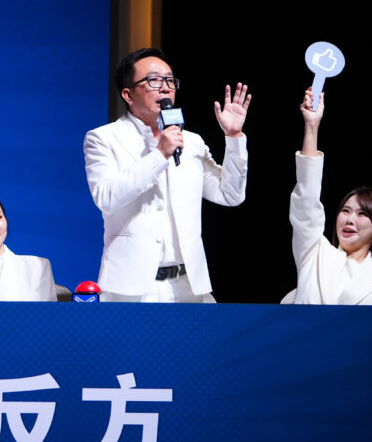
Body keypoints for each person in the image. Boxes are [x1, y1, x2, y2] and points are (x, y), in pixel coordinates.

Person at [84, 47, 251, 302]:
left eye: (170, 80)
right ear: (128, 94)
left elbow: (230, 195)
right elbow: (107, 197)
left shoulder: (191, 141)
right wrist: (160, 154)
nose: (165, 88)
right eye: (153, 80)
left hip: (188, 286)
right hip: (130, 289)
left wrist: (234, 137)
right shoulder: (103, 138)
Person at [290, 89, 372, 359]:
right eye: (345, 211)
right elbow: (306, 200)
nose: (350, 219)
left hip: (352, 379)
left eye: (362, 214)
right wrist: (311, 126)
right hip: (299, 371)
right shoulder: (314, 253)